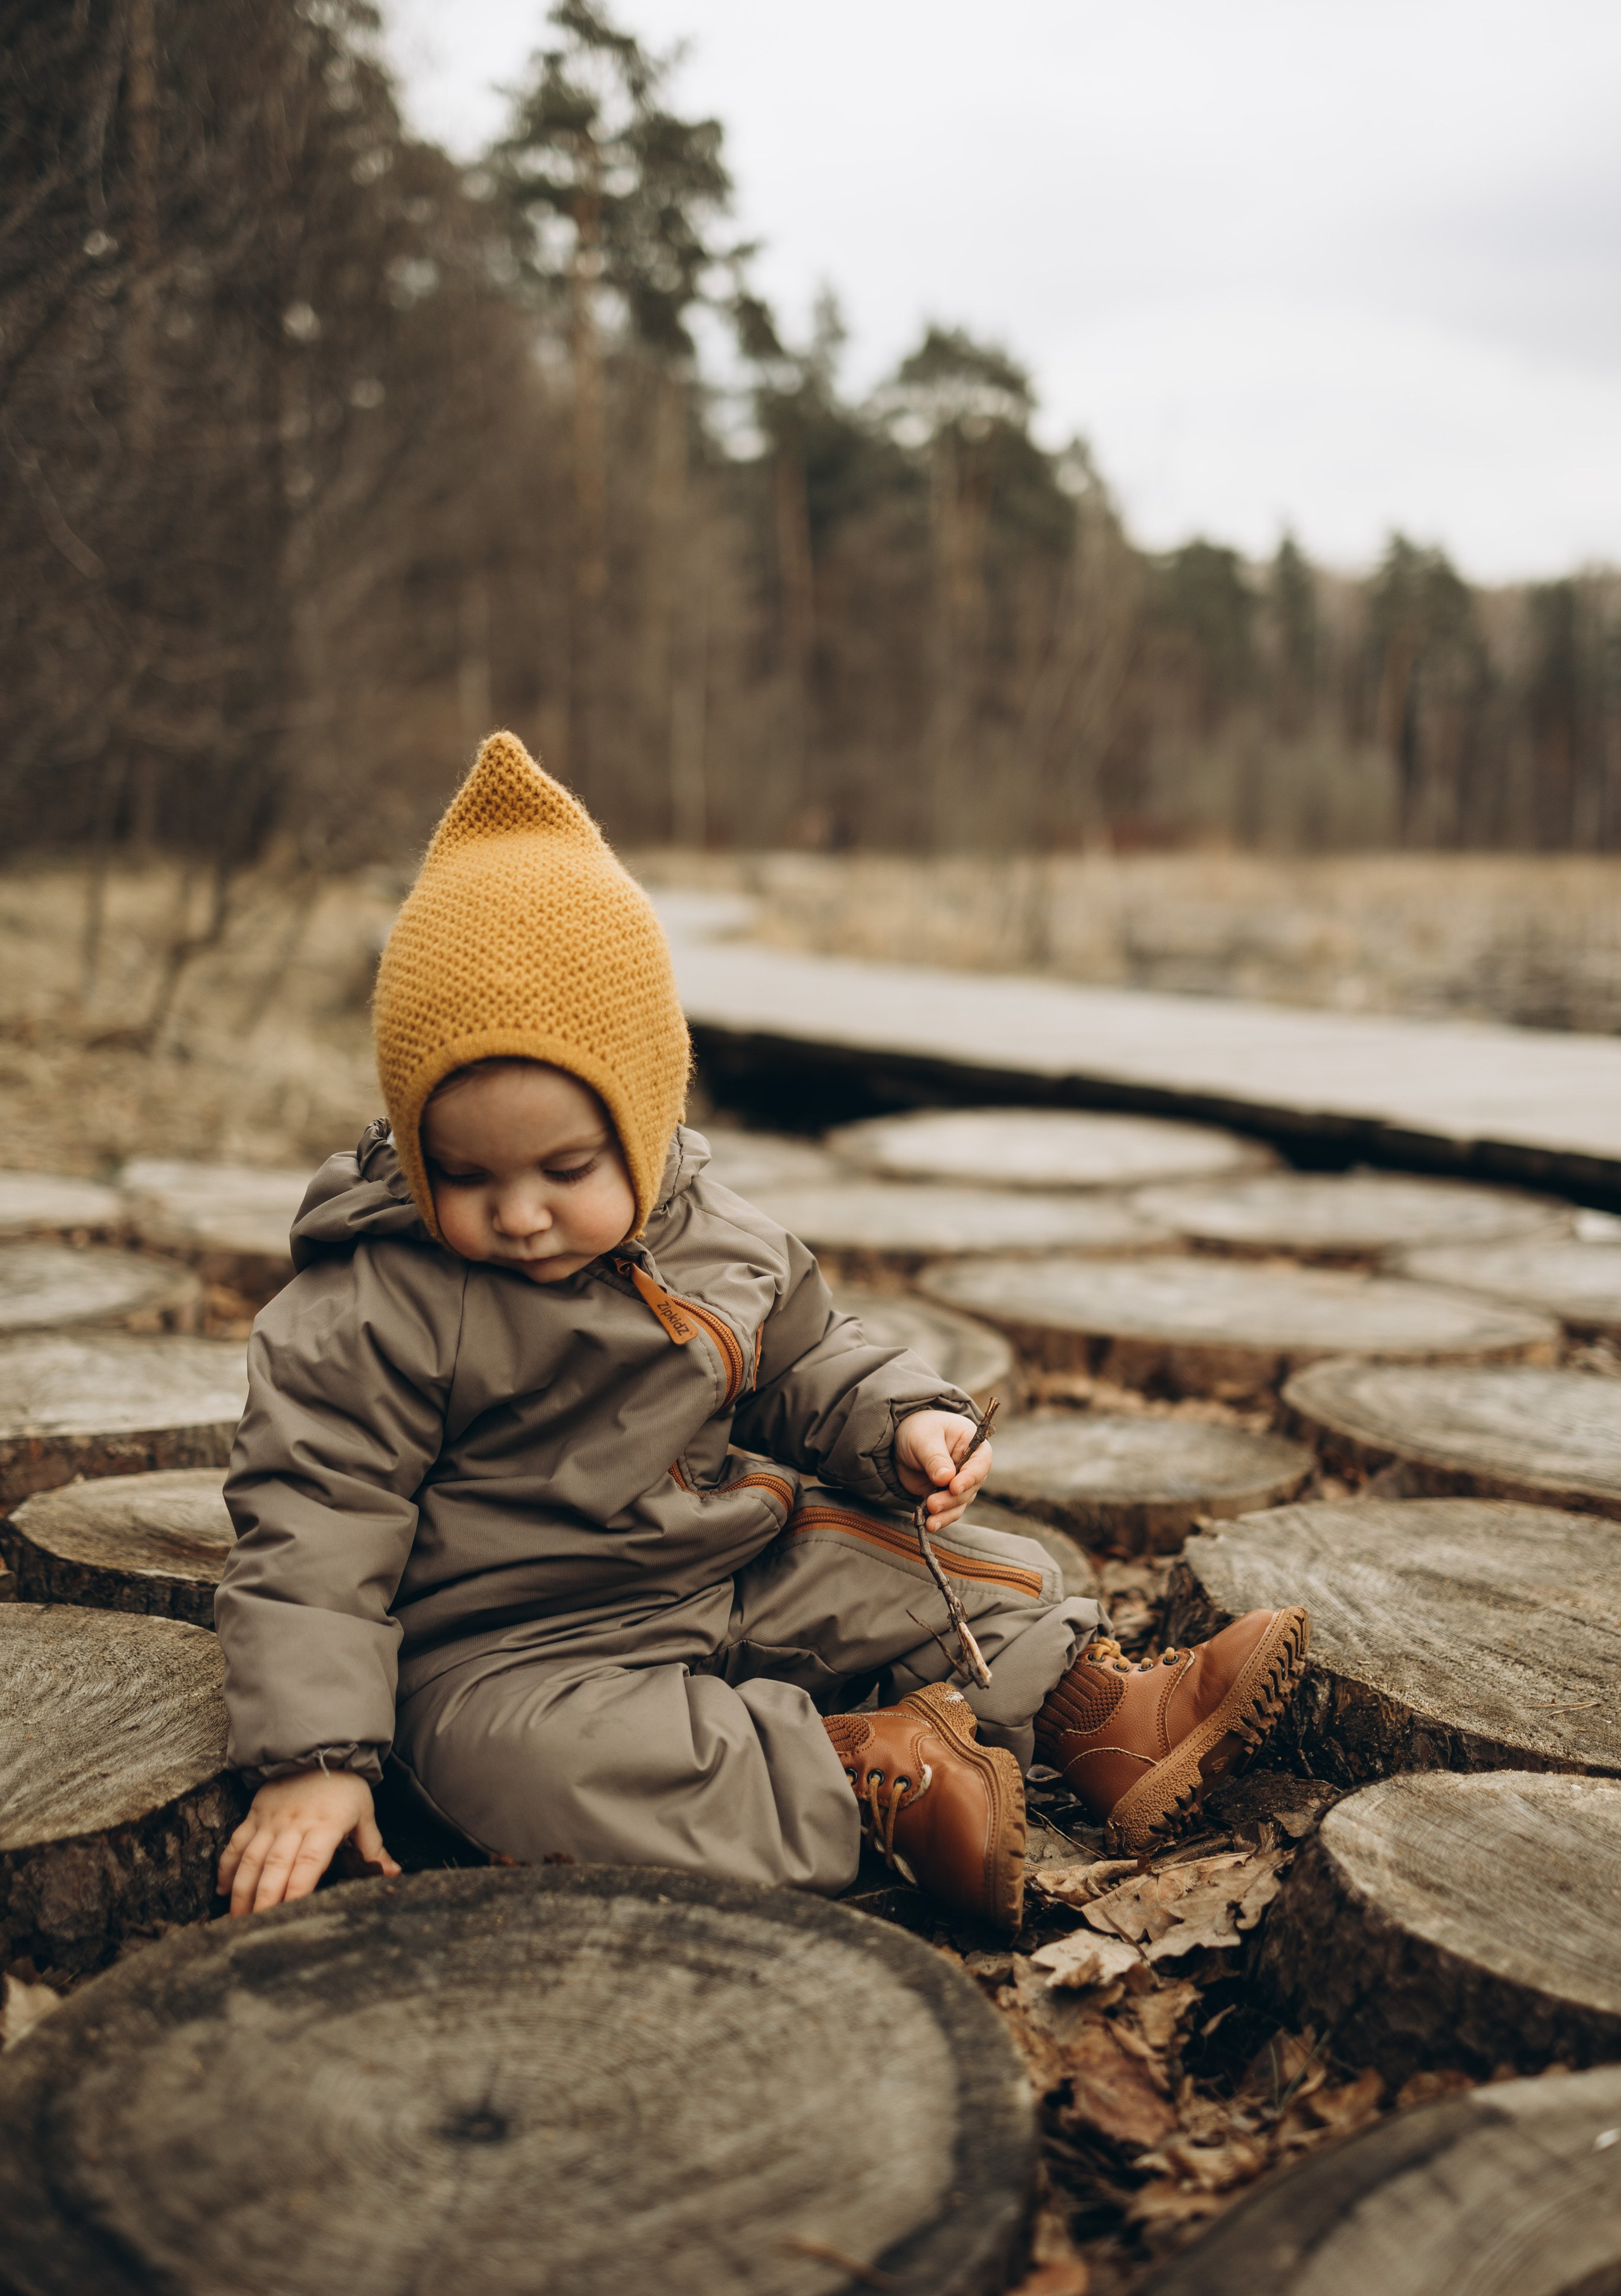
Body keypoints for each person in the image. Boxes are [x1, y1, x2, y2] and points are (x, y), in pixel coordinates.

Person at [215, 734, 1307, 1931]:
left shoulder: (715, 1236)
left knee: (958, 1576)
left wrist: (905, 1423)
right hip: (517, 1649)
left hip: (728, 1570)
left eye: (566, 1169)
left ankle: (1102, 1720)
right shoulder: (377, 1301)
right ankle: (869, 1777)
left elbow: (811, 1357)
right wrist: (314, 1754)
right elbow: (315, 1521)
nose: (519, 1215)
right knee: (509, 1765)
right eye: (466, 1175)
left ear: (645, 1120)